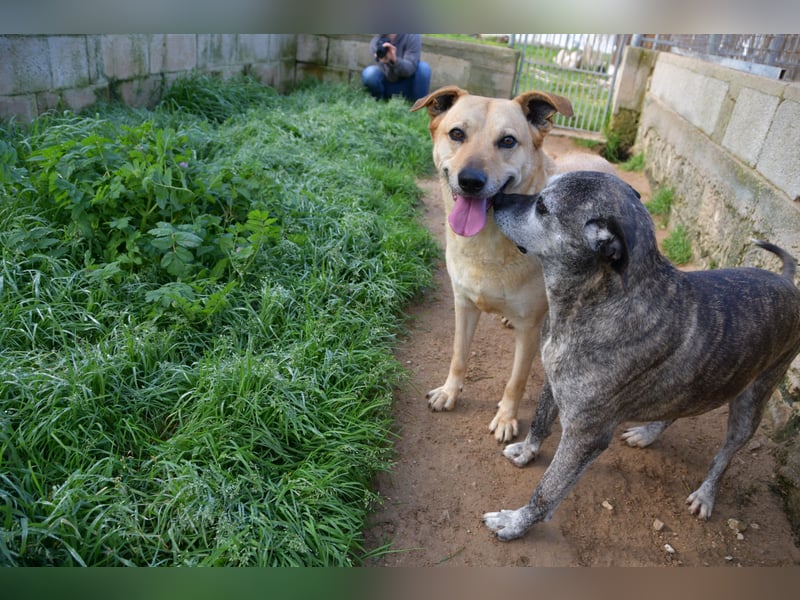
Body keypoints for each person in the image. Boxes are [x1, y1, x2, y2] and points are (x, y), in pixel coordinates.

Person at [361, 34, 431, 102]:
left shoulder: (412, 36)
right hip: (388, 86)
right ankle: (379, 100)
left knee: (424, 68)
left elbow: (410, 69)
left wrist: (395, 61)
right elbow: (391, 78)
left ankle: (419, 103)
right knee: (369, 73)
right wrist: (387, 62)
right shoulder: (376, 42)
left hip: (409, 85)